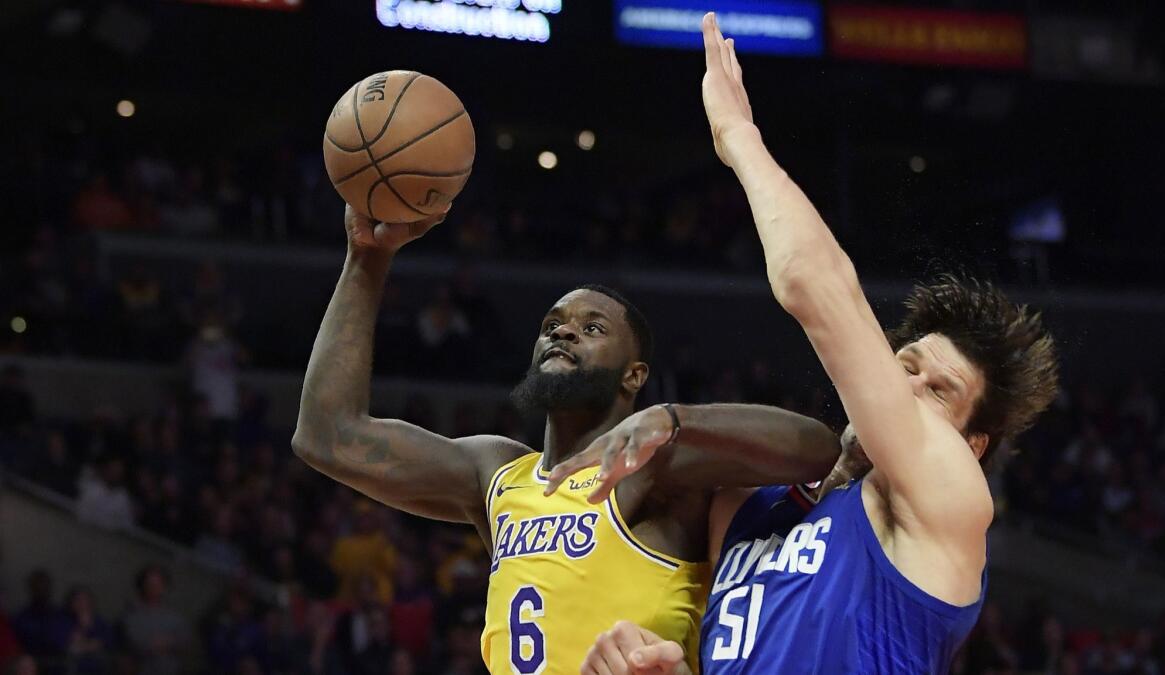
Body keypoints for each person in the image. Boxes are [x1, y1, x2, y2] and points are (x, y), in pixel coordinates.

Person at [576, 13, 1060, 675]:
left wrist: (738, 136)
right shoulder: (751, 503)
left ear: (973, 445)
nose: (907, 387)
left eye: (939, 389)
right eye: (905, 365)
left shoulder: (952, 503)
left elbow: (813, 282)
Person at [291, 204, 844, 672]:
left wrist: (675, 419)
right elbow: (328, 437)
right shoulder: (495, 473)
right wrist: (367, 256)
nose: (563, 330)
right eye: (552, 324)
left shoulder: (656, 467)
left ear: (634, 375)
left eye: (592, 327)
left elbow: (815, 449)